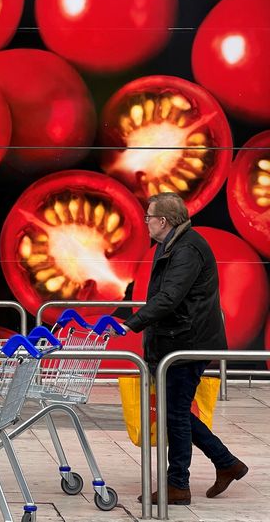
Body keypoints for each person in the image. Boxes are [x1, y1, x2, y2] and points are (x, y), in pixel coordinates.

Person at [120, 192, 247, 505]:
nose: (145, 221)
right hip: (180, 339)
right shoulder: (173, 244)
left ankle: (178, 485)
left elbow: (169, 297)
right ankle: (226, 463)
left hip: (188, 342)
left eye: (149, 216)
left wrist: (130, 324)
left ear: (163, 220)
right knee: (174, 412)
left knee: (174, 414)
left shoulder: (187, 248)